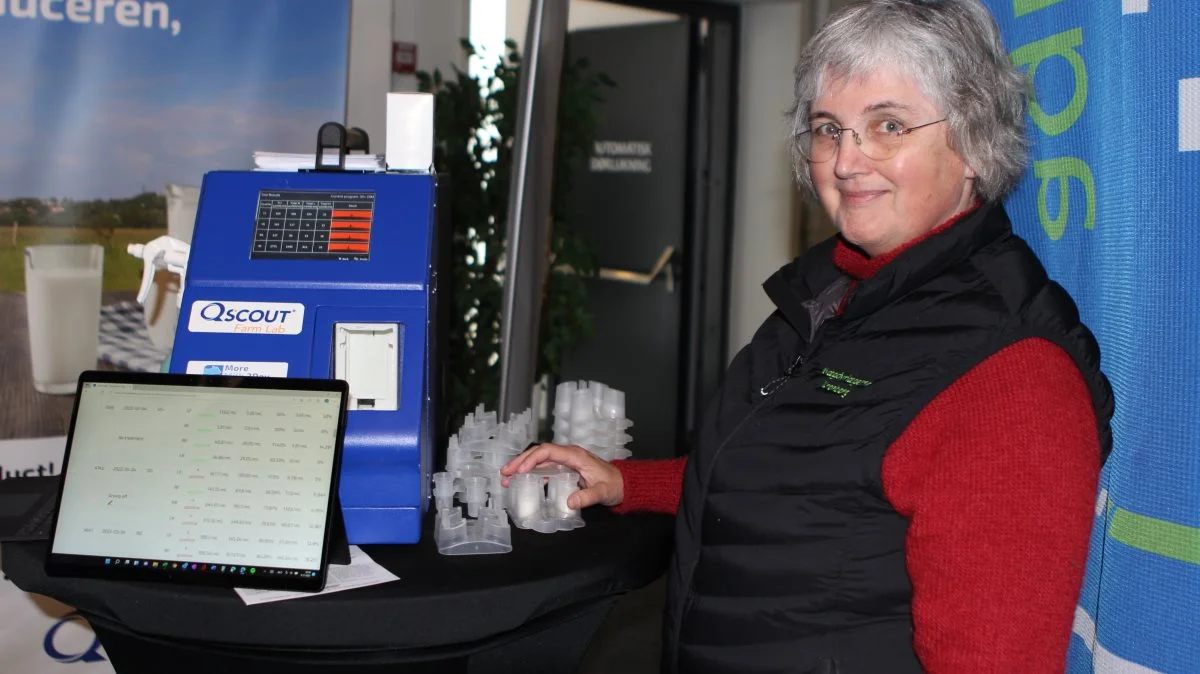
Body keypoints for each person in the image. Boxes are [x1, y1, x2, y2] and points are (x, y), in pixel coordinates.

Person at [503, 1, 1113, 671]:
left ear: (973, 144)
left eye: (888, 125)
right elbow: (804, 480)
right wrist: (627, 484)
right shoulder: (831, 293)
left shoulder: (1011, 376)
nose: (848, 161)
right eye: (829, 129)